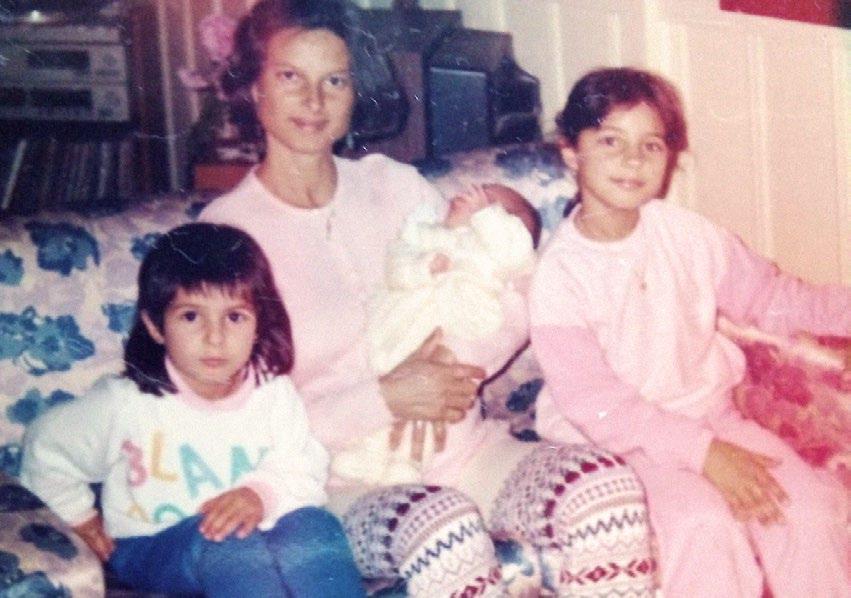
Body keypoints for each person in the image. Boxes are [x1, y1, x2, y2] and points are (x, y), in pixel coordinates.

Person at [199, 1, 656, 596]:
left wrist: (452, 366)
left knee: (605, 489)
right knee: (444, 529)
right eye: (291, 77)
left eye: (334, 80)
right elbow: (225, 417)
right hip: (338, 483)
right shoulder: (226, 235)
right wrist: (385, 398)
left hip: (466, 450)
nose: (314, 100)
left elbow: (510, 283)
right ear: (253, 88)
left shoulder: (394, 185)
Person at [528, 66, 851, 598]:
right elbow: (597, 404)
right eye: (610, 141)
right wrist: (703, 454)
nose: (633, 160)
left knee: (809, 512)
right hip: (614, 448)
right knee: (702, 526)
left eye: (650, 145)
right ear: (570, 152)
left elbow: (776, 299)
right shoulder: (559, 276)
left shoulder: (691, 236)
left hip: (711, 418)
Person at [20, 223, 365, 598]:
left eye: (234, 317)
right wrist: (79, 515)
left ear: (258, 326)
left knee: (316, 525)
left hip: (257, 534)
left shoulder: (273, 392)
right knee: (229, 542)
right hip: (151, 544)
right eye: (190, 316)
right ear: (155, 326)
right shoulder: (126, 403)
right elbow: (45, 445)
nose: (215, 337)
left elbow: (303, 463)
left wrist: (260, 494)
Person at [334, 184, 541, 484]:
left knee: (433, 397)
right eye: (479, 191)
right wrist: (421, 267)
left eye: (491, 201)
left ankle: (408, 462)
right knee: (389, 382)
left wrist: (485, 215)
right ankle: (368, 452)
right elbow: (396, 261)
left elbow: (517, 255)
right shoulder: (425, 233)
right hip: (399, 328)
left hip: (450, 327)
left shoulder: (493, 255)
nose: (473, 193)